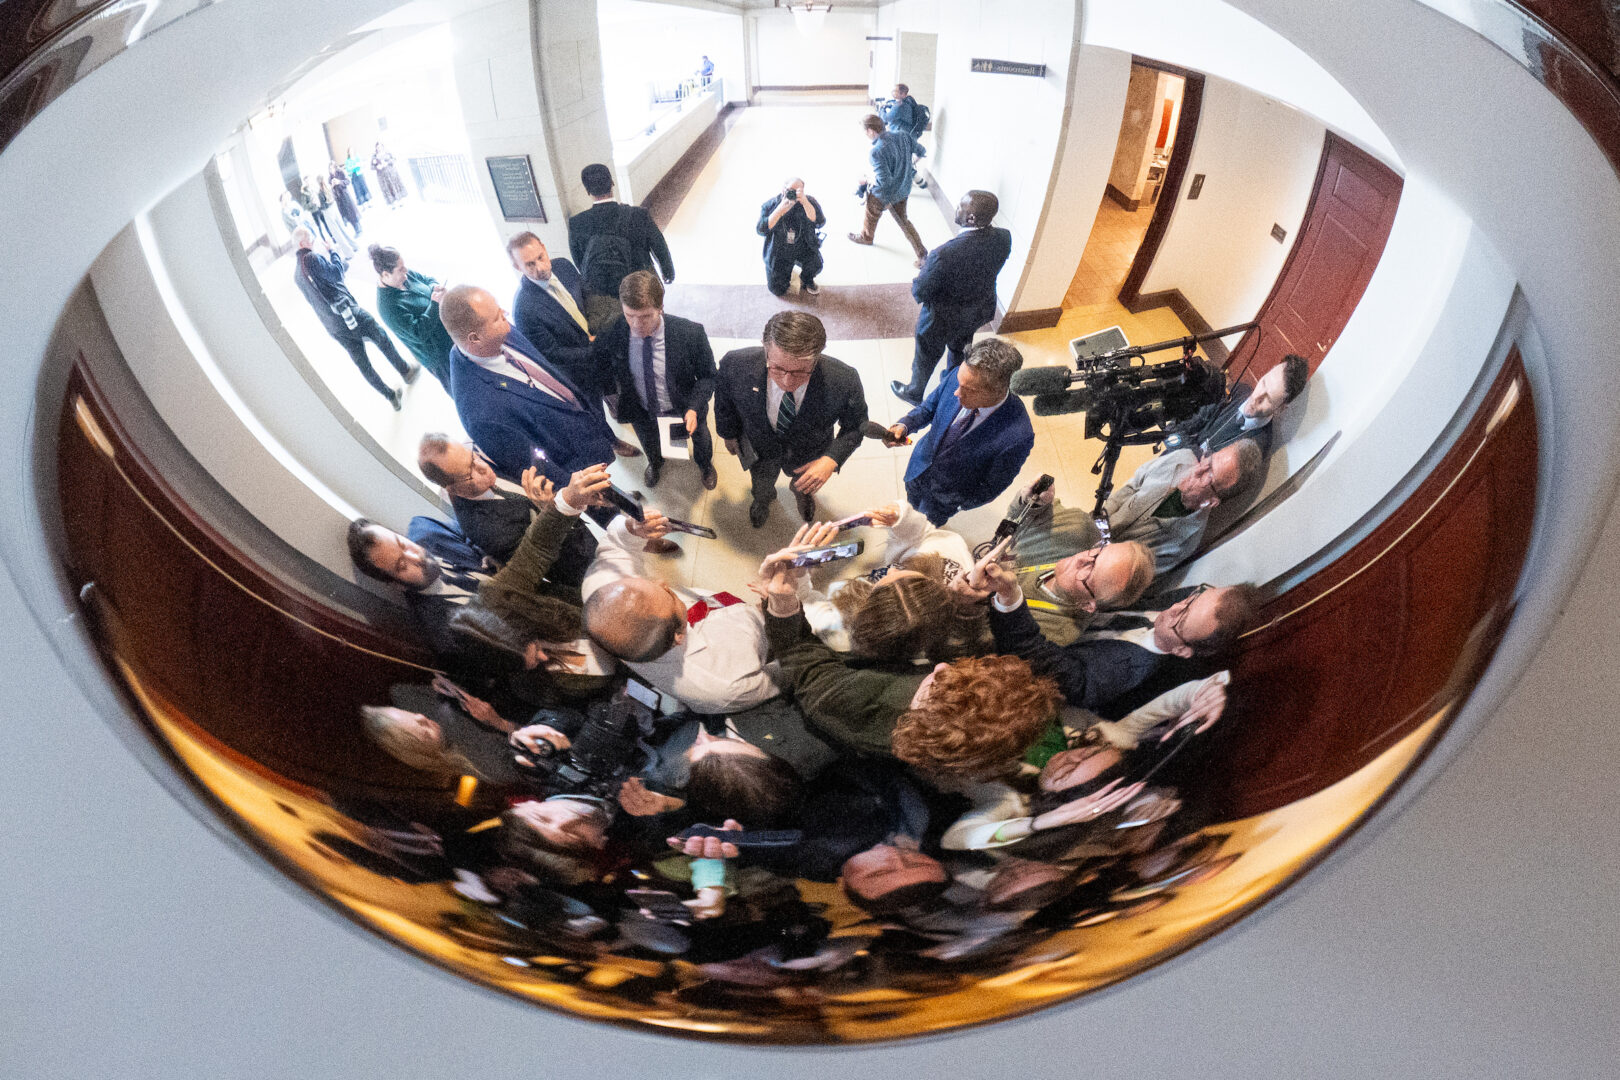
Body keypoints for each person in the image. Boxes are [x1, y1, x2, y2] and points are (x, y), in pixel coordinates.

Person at [758, 525, 1063, 782]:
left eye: (939, 686)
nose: (942, 667)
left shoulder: (852, 704)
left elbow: (801, 656)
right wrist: (967, 608)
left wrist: (783, 600)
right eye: (965, 674)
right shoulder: (957, 739)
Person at [572, 469, 782, 714]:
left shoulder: (601, 591)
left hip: (730, 609)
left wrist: (632, 530)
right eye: (669, 596)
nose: (662, 582)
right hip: (772, 642)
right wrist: (783, 611)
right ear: (679, 635)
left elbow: (616, 550)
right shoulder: (724, 686)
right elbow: (785, 674)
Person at [975, 559, 1260, 718]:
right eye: (1193, 597)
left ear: (1183, 651)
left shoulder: (1122, 672)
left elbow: (1036, 658)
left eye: (1182, 619)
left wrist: (1010, 599)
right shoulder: (1175, 604)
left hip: (992, 659)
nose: (1175, 607)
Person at [439, 284, 622, 488]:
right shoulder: (482, 416)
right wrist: (588, 498)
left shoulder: (498, 333)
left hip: (589, 431)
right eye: (497, 317)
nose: (506, 315)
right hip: (577, 470)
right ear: (475, 338)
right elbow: (537, 469)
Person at [712, 311, 868, 527]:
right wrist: (727, 434)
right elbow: (724, 401)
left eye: (801, 372)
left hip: (810, 453)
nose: (787, 381)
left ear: (817, 357)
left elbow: (857, 426)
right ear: (766, 349)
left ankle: (802, 495)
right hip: (760, 449)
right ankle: (762, 500)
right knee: (761, 483)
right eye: (777, 368)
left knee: (803, 485)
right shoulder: (735, 364)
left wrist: (831, 459)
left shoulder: (843, 379)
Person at [885, 336, 1034, 526]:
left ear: (997, 390)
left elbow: (992, 487)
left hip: (944, 500)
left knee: (924, 528)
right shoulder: (961, 375)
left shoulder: (1018, 436)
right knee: (910, 507)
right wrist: (905, 425)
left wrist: (958, 503)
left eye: (968, 390)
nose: (957, 392)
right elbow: (929, 408)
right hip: (918, 468)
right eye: (959, 383)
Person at [798, 498, 979, 655]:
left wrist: (797, 571)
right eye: (905, 570)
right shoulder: (957, 573)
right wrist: (901, 518)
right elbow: (925, 534)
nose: (891, 570)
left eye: (883, 586)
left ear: (866, 611)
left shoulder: (840, 632)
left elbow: (804, 600)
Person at [594, 271, 718, 490]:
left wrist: (694, 408)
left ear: (660, 307)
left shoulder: (690, 333)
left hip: (684, 408)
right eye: (629, 315)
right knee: (649, 442)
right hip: (642, 410)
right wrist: (612, 395)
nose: (635, 324)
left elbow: (708, 376)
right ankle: (655, 463)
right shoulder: (613, 331)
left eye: (644, 317)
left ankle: (705, 465)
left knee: (701, 439)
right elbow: (602, 367)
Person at [994, 480, 1157, 646]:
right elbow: (1019, 519)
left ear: (1087, 605)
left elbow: (977, 646)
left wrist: (970, 606)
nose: (1080, 558)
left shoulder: (1055, 633)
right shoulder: (1080, 529)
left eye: (1089, 572)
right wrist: (1032, 503)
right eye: (1097, 553)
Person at [416, 434, 597, 577]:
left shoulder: (485, 452)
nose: (481, 466)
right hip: (582, 566)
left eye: (473, 457)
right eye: (469, 472)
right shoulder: (487, 530)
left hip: (588, 536)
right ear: (453, 489)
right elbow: (546, 558)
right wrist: (551, 509)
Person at [893, 190, 1013, 405]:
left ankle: (914, 392)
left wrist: (922, 275)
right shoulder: (1004, 238)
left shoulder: (943, 255)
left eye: (960, 205)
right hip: (977, 310)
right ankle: (952, 381)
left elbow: (919, 292)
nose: (957, 208)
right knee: (961, 346)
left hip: (941, 318)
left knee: (926, 354)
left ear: (971, 218)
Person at [290, 227, 417, 409]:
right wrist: (332, 251)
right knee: (379, 335)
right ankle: (406, 371)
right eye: (310, 238)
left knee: (362, 363)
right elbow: (336, 274)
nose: (312, 241)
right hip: (348, 313)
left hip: (333, 326)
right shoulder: (311, 258)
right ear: (303, 243)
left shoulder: (296, 275)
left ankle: (390, 396)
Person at [1100, 440, 1264, 575]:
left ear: (1213, 501)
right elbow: (1133, 484)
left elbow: (1133, 576)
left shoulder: (1185, 542)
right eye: (1210, 459)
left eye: (1210, 475)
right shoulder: (1181, 457)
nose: (1199, 468)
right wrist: (1099, 520)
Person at [347, 515, 493, 656]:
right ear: (398, 585)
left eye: (403, 544)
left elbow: (472, 530)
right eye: (402, 565)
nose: (416, 557)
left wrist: (488, 551)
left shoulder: (425, 528)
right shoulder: (443, 634)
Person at [567, 162, 675, 332]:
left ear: (587, 190)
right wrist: (668, 272)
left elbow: (580, 262)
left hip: (603, 294)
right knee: (649, 328)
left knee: (615, 333)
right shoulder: (638, 216)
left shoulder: (577, 223)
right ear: (612, 183)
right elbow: (659, 246)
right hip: (641, 287)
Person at [1186, 353, 1309, 457]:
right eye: (1264, 383)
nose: (1257, 397)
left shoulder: (1258, 448)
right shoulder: (1239, 390)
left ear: (1280, 409)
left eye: (1269, 399)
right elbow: (1190, 421)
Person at [848, 113, 927, 266]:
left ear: (871, 131)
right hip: (904, 189)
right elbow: (921, 150)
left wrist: (867, 181)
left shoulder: (876, 151)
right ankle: (923, 255)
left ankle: (866, 237)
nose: (865, 135)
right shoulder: (903, 135)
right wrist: (909, 165)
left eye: (865, 132)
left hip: (885, 195)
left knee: (871, 214)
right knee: (905, 223)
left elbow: (884, 182)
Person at [371, 244, 453, 390]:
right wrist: (434, 304)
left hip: (449, 335)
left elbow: (427, 279)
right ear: (385, 274)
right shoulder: (388, 307)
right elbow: (418, 333)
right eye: (400, 269)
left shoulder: (403, 277)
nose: (406, 271)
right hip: (439, 356)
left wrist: (435, 286)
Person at [756, 178, 824, 296]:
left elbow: (820, 221)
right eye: (790, 190)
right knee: (777, 290)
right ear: (783, 190)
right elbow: (761, 229)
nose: (793, 194)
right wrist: (779, 210)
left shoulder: (809, 202)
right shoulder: (771, 205)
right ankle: (784, 276)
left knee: (815, 264)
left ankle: (806, 278)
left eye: (798, 190)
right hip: (779, 250)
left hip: (803, 245)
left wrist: (805, 202)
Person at [328, 162, 361, 238]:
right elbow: (330, 189)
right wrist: (332, 186)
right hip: (338, 198)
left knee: (351, 211)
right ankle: (355, 228)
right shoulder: (329, 178)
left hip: (345, 194)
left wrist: (339, 182)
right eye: (330, 169)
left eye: (332, 168)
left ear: (335, 167)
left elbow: (347, 181)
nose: (331, 170)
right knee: (345, 213)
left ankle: (358, 228)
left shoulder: (340, 173)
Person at [372, 141, 407, 205]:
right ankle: (392, 203)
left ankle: (399, 201)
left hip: (391, 172)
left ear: (382, 146)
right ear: (376, 148)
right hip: (382, 176)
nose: (379, 148)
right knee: (387, 188)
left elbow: (394, 159)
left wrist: (387, 163)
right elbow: (372, 167)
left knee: (394, 186)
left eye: (380, 147)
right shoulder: (374, 156)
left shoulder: (387, 153)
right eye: (378, 147)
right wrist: (377, 167)